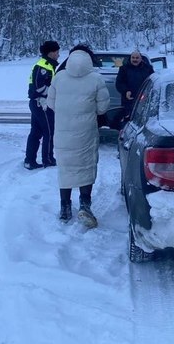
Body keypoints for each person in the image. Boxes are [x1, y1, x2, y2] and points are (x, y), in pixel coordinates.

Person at [47, 49, 110, 226]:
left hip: (63, 132)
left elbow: (51, 103)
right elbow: (102, 108)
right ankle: (85, 204)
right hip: (86, 132)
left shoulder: (59, 77)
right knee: (86, 167)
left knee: (66, 169)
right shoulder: (96, 79)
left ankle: (65, 207)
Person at [25, 40, 60, 170]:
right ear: (50, 53)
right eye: (56, 52)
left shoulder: (46, 65)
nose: (58, 54)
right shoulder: (43, 66)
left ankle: (30, 160)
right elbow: (40, 87)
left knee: (36, 132)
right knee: (49, 131)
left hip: (36, 103)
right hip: (42, 103)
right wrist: (51, 95)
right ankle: (48, 159)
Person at [115, 50, 154, 121]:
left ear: (141, 59)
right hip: (129, 101)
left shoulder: (148, 68)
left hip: (145, 100)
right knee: (128, 120)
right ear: (130, 58)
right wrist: (126, 91)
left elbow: (153, 82)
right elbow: (119, 83)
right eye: (133, 58)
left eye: (137, 58)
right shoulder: (123, 69)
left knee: (144, 120)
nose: (135, 59)